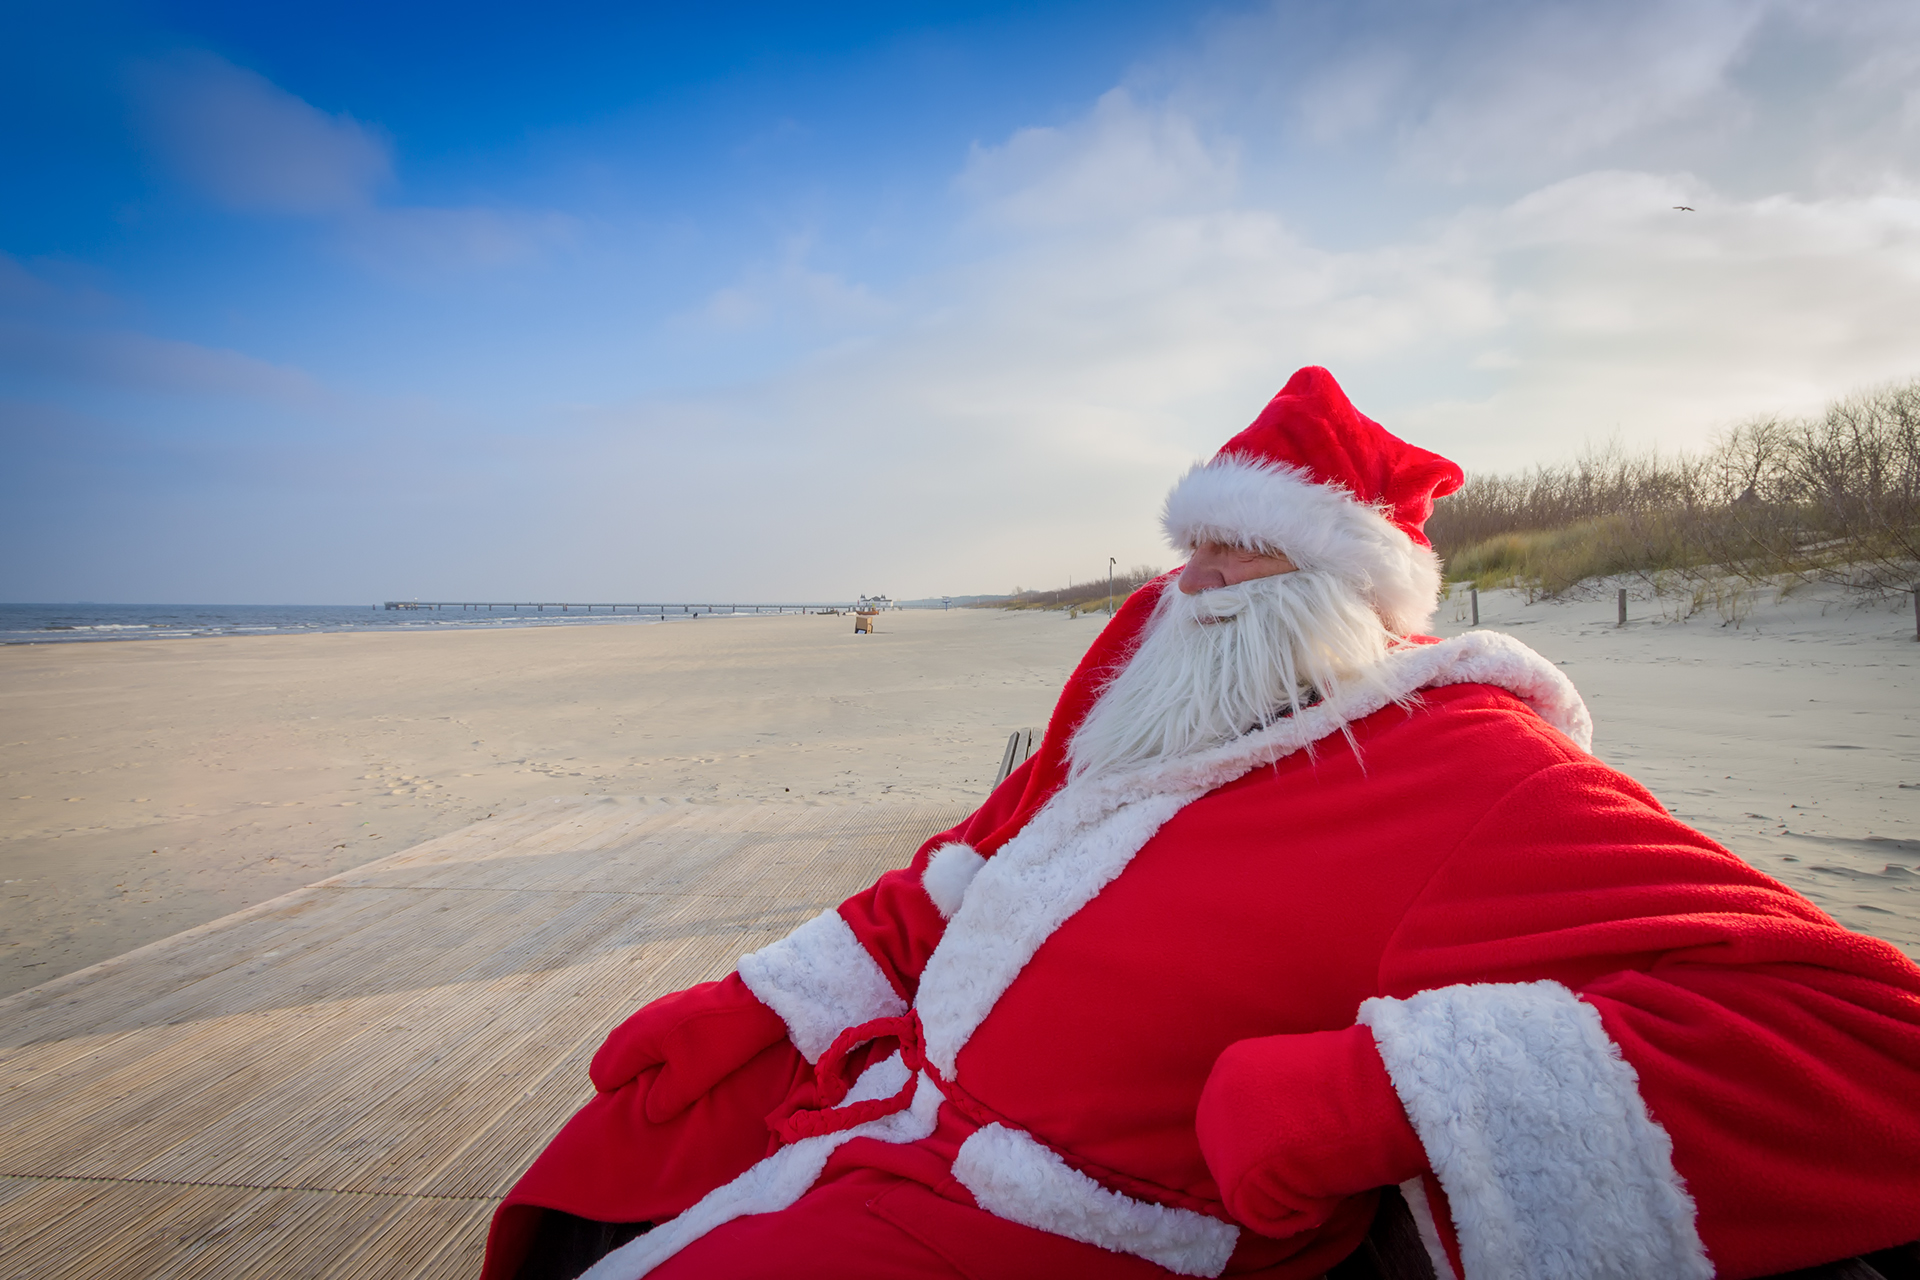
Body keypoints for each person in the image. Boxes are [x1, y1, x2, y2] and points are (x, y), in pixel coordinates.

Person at [479, 368, 1920, 1280]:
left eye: (1254, 545)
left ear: (1360, 582)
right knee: (619, 1140)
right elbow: (988, 853)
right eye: (1193, 542)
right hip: (893, 1100)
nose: (1205, 578)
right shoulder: (1151, 671)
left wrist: (1376, 1096)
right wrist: (763, 997)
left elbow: (1866, 1039)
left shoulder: (1471, 767)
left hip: (1061, 1224)